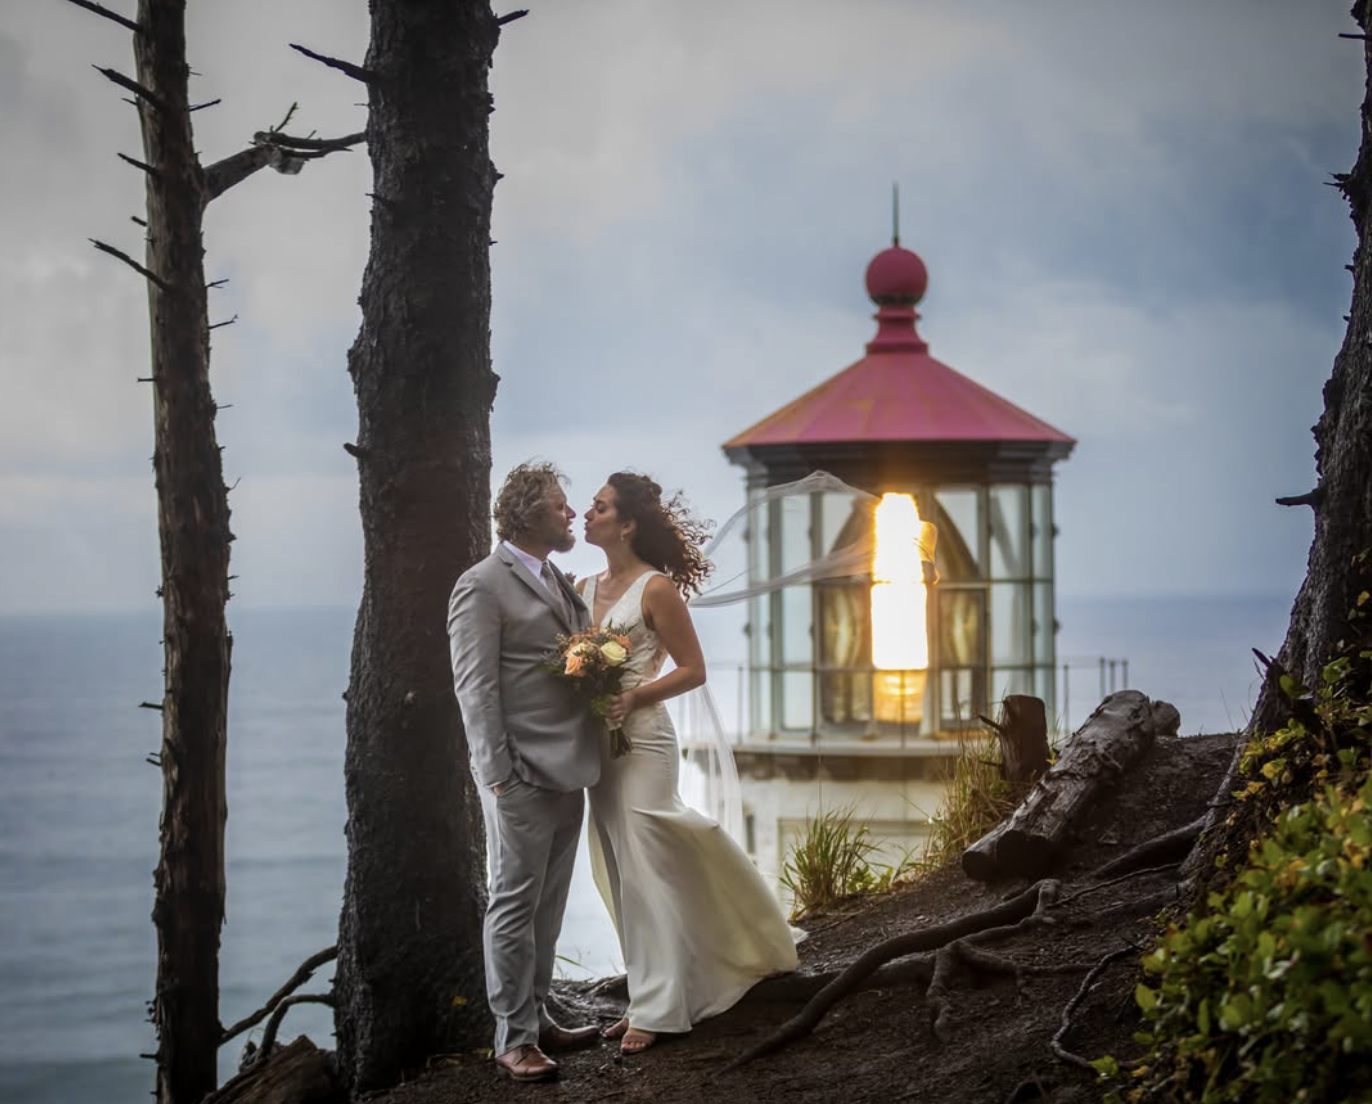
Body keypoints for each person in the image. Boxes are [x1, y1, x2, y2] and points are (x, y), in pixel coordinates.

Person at [578, 471, 800, 1056]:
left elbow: (693, 668)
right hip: (598, 745)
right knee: (619, 863)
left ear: (626, 524)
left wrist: (634, 695)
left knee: (651, 847)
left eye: (599, 507)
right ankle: (649, 985)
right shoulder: (579, 586)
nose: (586, 513)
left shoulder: (655, 589)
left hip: (644, 738)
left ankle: (660, 1005)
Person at [446, 462, 604, 1083]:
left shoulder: (555, 576)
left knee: (551, 901)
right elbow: (475, 686)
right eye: (562, 506)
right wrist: (499, 774)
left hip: (571, 766)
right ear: (529, 513)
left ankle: (539, 1016)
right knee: (513, 904)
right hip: (521, 774)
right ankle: (512, 1039)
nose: (571, 515)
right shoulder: (482, 584)